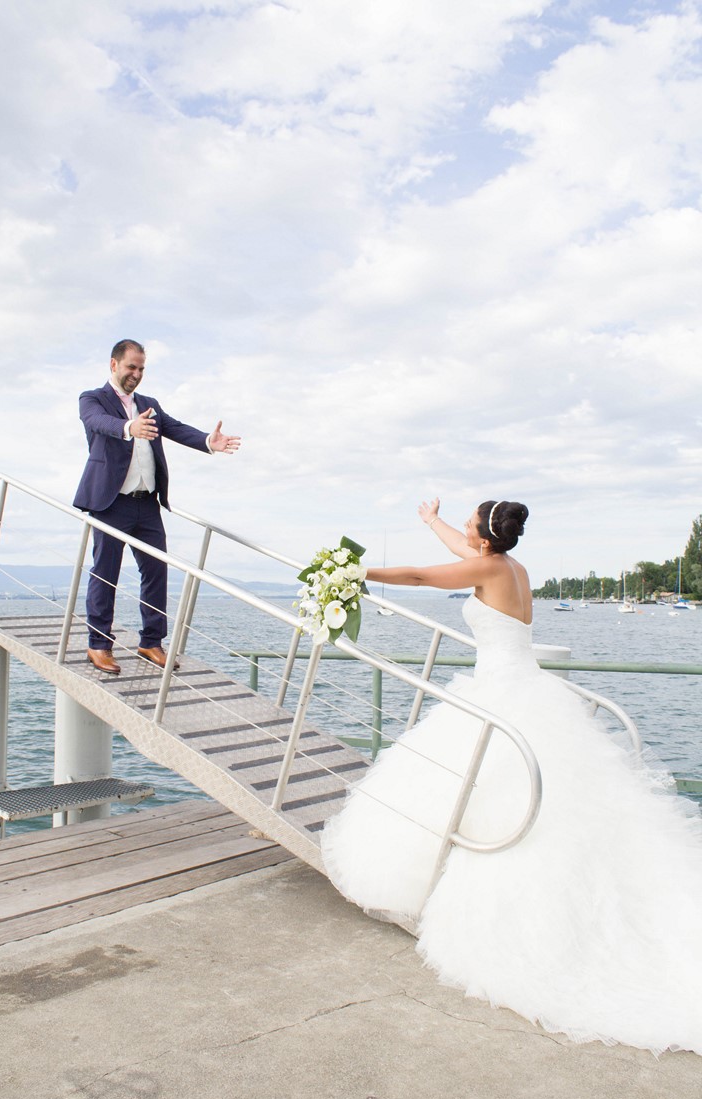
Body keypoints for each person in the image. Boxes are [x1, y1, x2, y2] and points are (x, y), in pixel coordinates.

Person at [321, 498, 702, 1055]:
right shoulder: (512, 567)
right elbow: (460, 549)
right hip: (528, 685)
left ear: (484, 537)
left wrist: (356, 572)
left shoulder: (488, 568)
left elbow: (422, 576)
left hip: (500, 691)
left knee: (483, 786)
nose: (464, 532)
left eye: (468, 525)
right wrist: (430, 521)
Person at [73, 339, 241, 674]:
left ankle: (151, 641)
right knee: (105, 573)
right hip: (110, 503)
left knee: (155, 572)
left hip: (147, 503)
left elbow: (175, 429)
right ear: (114, 365)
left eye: (141, 369)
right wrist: (129, 427)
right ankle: (99, 644)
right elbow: (98, 422)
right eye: (131, 367)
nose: (136, 374)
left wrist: (208, 442)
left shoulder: (149, 404)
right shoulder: (92, 399)